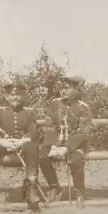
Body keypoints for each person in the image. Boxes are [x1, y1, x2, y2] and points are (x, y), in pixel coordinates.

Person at [0, 80, 41, 213]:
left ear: (23, 97)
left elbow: (32, 133)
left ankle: (31, 188)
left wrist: (21, 142)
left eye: (18, 94)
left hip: (22, 146)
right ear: (6, 97)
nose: (15, 97)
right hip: (4, 145)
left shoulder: (30, 112)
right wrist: (2, 142)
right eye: (12, 95)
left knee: (33, 146)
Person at [39, 75, 93, 207]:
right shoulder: (54, 103)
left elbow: (83, 132)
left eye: (67, 88)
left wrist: (66, 148)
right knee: (41, 157)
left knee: (75, 161)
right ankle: (54, 187)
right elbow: (50, 126)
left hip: (77, 143)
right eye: (61, 88)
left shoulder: (83, 107)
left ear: (76, 89)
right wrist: (54, 146)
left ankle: (80, 192)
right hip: (57, 141)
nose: (63, 91)